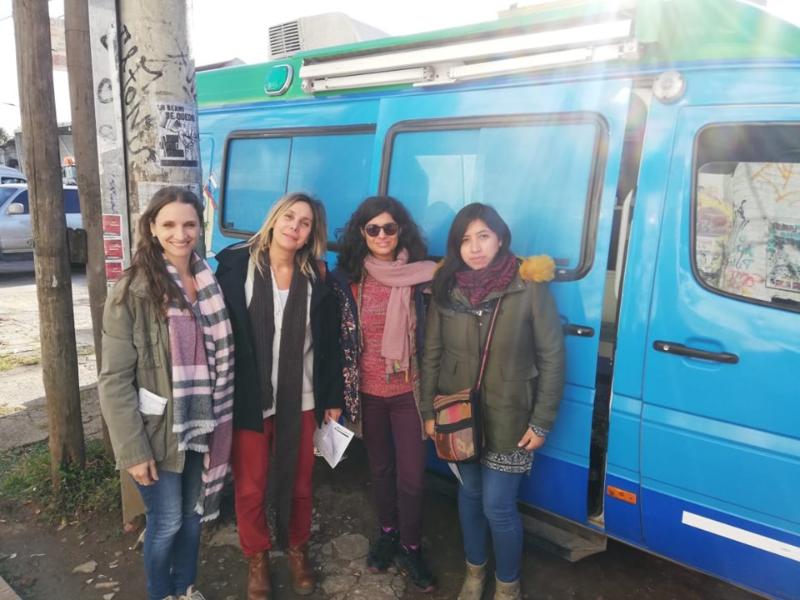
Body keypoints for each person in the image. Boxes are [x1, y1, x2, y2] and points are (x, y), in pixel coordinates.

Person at [421, 203, 565, 600]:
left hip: (511, 418)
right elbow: (431, 353)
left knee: (498, 507)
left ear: (500, 238)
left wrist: (541, 421)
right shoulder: (446, 288)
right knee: (469, 496)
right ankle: (474, 572)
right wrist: (427, 411)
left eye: (483, 236)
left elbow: (552, 357)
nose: (475, 247)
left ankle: (507, 585)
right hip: (458, 417)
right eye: (465, 240)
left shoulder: (527, 286)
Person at [98, 187, 235, 600]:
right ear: (153, 228)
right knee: (167, 521)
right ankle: (161, 594)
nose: (181, 233)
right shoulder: (133, 290)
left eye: (189, 224)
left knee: (193, 517)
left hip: (203, 422)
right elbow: (114, 379)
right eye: (170, 224)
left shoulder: (208, 281)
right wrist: (133, 450)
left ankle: (185, 589)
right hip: (158, 430)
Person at [215, 192, 344, 600]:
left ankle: (296, 548)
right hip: (249, 399)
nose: (295, 227)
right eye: (289, 217)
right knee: (250, 487)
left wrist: (332, 398)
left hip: (300, 399)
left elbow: (329, 345)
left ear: (311, 234)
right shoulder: (235, 266)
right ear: (274, 219)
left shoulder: (318, 278)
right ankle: (257, 557)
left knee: (300, 482)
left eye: (305, 223)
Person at [332, 195, 438, 592]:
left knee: (413, 477)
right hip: (367, 392)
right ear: (362, 232)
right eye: (373, 228)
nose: (381, 235)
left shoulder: (421, 277)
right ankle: (388, 532)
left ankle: (411, 546)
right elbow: (333, 339)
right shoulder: (347, 279)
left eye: (389, 228)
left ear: (400, 231)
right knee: (380, 469)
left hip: (409, 391)